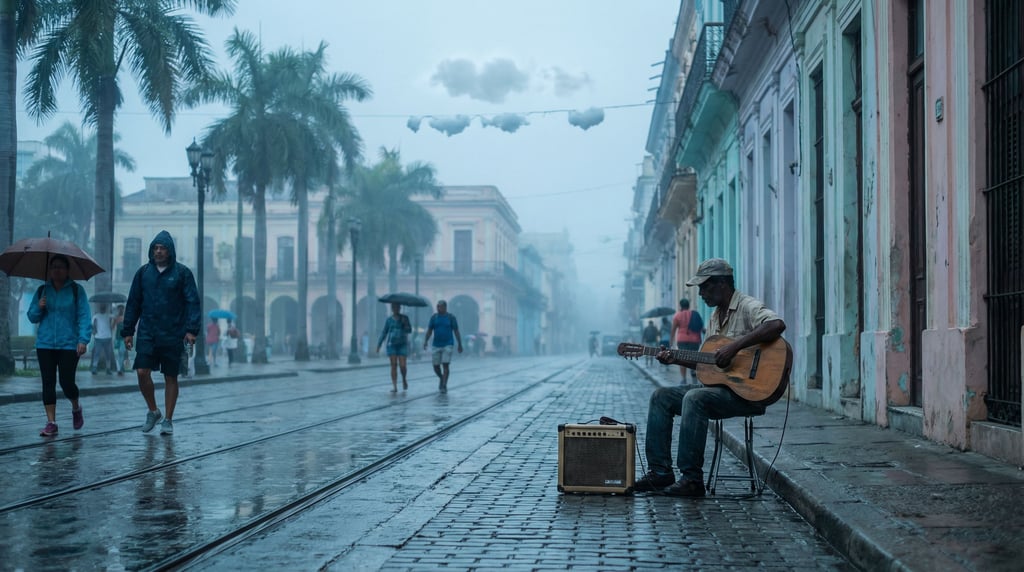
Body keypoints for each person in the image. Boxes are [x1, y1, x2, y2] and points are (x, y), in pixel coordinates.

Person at [636, 258, 786, 497]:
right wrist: (673, 358)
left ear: (721, 284)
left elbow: (776, 325)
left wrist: (734, 347)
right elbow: (708, 362)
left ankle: (691, 479)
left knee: (695, 398)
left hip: (749, 394)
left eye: (704, 287)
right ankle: (660, 472)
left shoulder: (747, 306)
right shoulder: (715, 317)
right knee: (661, 396)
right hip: (723, 391)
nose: (701, 293)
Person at [120, 230, 201, 436]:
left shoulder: (182, 273)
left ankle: (168, 419)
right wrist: (128, 330)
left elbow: (193, 302)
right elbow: (133, 303)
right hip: (147, 332)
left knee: (170, 377)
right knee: (141, 372)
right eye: (155, 248)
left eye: (162, 248)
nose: (158, 251)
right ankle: (153, 411)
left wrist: (192, 330)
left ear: (170, 251)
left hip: (174, 333)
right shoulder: (143, 273)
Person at [27, 255, 91, 437]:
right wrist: (38, 307)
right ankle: (51, 422)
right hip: (45, 344)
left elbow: (84, 316)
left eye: (61, 267)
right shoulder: (42, 291)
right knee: (48, 382)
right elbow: (32, 317)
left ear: (67, 270)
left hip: (69, 345)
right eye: (53, 267)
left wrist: (83, 340)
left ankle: (76, 407)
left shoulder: (76, 291)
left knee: (66, 382)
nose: (57, 270)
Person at [423, 299, 463, 393]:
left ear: (445, 307)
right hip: (436, 345)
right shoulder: (434, 318)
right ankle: (441, 378)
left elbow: (456, 331)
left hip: (448, 344)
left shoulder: (451, 317)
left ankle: (444, 385)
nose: (438, 308)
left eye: (440, 306)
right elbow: (429, 330)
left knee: (445, 365)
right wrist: (425, 341)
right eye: (437, 306)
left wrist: (460, 344)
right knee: (435, 366)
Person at [376, 302, 412, 392]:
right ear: (392, 309)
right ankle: (395, 386)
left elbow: (409, 330)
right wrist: (379, 344)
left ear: (400, 308)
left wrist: (405, 324)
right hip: (391, 345)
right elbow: (384, 332)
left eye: (397, 307)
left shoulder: (405, 318)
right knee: (393, 365)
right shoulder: (389, 320)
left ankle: (404, 379)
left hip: (402, 344)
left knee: (403, 366)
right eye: (394, 307)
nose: (396, 309)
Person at [670, 298, 704, 382]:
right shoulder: (695, 314)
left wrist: (671, 342)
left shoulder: (677, 315)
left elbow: (673, 330)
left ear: (680, 306)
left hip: (682, 340)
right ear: (688, 305)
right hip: (695, 340)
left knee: (682, 358)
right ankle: (694, 377)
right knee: (694, 358)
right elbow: (700, 327)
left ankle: (684, 379)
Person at [89, 303, 115, 375]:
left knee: (107, 354)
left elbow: (114, 320)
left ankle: (108, 369)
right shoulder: (96, 316)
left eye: (103, 307)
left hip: (107, 337)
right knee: (97, 353)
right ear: (100, 308)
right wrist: (94, 331)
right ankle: (95, 368)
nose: (102, 309)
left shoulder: (108, 315)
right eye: (102, 307)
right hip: (99, 337)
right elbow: (93, 325)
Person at [112, 304, 126, 375]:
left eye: (122, 309)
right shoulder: (116, 318)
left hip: (124, 339)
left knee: (122, 353)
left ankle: (120, 369)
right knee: (118, 354)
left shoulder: (126, 318)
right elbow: (112, 327)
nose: (120, 310)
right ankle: (120, 368)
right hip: (117, 338)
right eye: (119, 309)